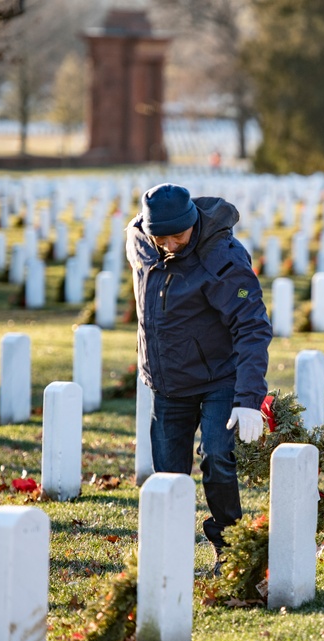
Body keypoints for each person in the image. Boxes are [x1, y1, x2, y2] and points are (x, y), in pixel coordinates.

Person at [125, 183, 272, 573]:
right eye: (163, 236)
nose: (171, 244)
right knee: (168, 475)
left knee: (218, 458)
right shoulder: (139, 243)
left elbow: (253, 326)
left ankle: (232, 547)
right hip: (168, 381)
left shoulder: (221, 258)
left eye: (179, 234)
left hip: (219, 378)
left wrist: (248, 399)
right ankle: (168, 553)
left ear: (193, 222)